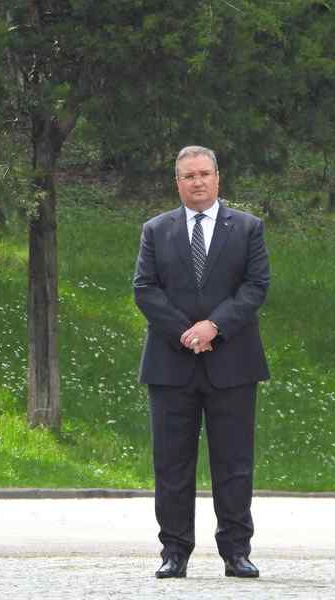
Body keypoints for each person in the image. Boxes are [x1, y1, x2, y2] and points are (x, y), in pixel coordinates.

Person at [133, 145, 270, 579]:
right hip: (171, 365)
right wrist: (185, 332)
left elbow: (255, 286)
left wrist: (213, 326)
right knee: (171, 464)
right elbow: (145, 289)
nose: (198, 182)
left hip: (233, 364)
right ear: (177, 182)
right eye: (189, 175)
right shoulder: (156, 230)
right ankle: (174, 552)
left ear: (218, 177)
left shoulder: (247, 228)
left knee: (234, 463)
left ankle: (236, 551)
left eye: (205, 174)